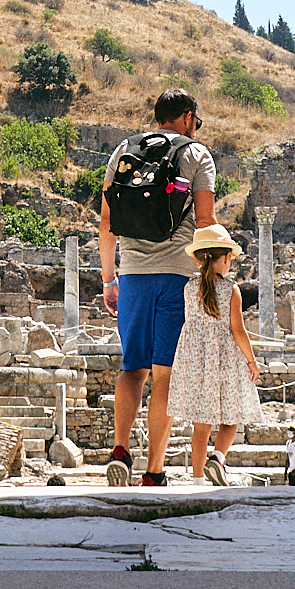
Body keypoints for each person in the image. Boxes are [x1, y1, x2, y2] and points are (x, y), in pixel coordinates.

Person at [99, 89, 216, 487]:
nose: (196, 129)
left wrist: (109, 279)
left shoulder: (123, 151)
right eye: (196, 123)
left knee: (132, 368)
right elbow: (205, 223)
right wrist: (211, 280)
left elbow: (105, 223)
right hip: (178, 277)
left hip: (131, 275)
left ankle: (119, 449)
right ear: (187, 117)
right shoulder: (197, 156)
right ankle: (154, 471)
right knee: (164, 375)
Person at [168, 223, 263, 485]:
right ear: (226, 257)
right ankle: (218, 458)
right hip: (225, 360)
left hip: (196, 361)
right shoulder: (231, 289)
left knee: (201, 425)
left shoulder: (189, 288)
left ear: (198, 259)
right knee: (231, 416)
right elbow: (238, 331)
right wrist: (251, 361)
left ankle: (198, 479)